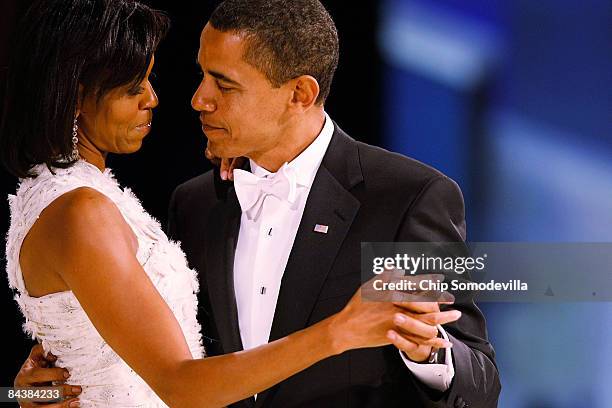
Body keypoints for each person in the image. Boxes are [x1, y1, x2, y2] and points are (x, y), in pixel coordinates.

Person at [2, 1, 461, 407]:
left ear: (299, 94)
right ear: (76, 95)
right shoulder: (194, 204)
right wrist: (27, 392)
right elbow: (178, 379)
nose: (193, 99)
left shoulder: (407, 198)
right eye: (133, 86)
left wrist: (427, 353)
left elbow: (476, 359)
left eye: (224, 84)